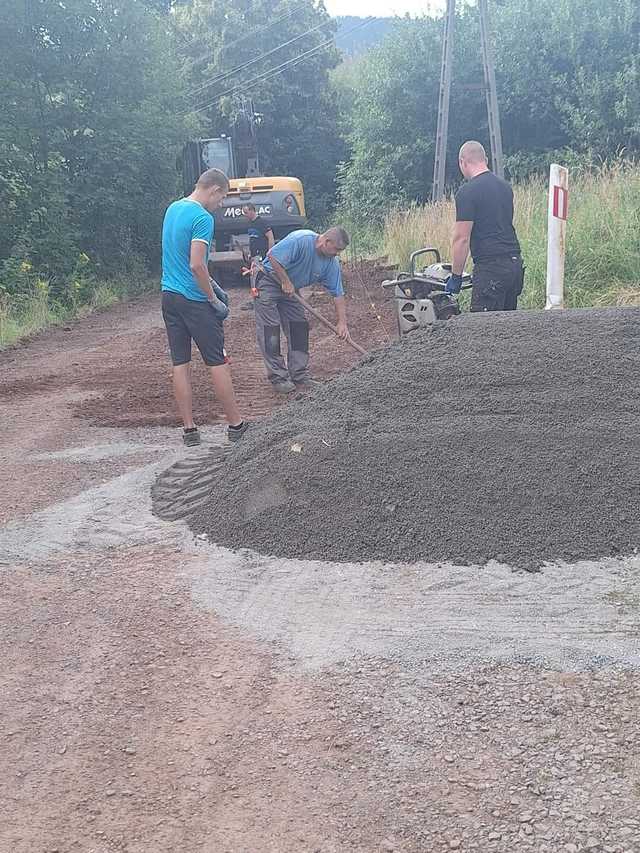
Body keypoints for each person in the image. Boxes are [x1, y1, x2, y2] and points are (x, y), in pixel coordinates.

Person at [161, 167, 249, 446]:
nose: (220, 204)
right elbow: (196, 264)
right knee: (217, 362)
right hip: (195, 301)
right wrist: (212, 298)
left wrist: (213, 284)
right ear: (214, 190)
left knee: (180, 364)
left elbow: (179, 257)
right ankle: (237, 426)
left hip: (169, 297)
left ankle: (189, 431)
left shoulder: (173, 209)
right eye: (221, 198)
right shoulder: (202, 217)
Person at [254, 227, 350, 393]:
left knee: (299, 326)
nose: (338, 254)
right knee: (271, 330)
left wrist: (342, 323)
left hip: (291, 288)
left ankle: (299, 374)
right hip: (269, 279)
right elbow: (272, 256)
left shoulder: (330, 263)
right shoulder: (301, 240)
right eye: (337, 249)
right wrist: (285, 281)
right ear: (326, 242)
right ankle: (279, 377)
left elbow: (338, 293)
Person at [446, 140, 524, 311]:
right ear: (485, 159)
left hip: (491, 269)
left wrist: (456, 276)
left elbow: (461, 239)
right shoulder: (505, 187)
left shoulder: (467, 192)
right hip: (515, 265)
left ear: (462, 162)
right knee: (508, 329)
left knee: (482, 330)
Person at [241, 202, 275, 311]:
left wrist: (270, 253)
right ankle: (256, 298)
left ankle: (261, 299)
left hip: (262, 255)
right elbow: (253, 240)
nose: (245, 215)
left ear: (252, 210)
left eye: (246, 212)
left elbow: (270, 237)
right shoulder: (250, 224)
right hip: (254, 256)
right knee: (253, 278)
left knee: (258, 278)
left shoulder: (262, 222)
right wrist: (251, 254)